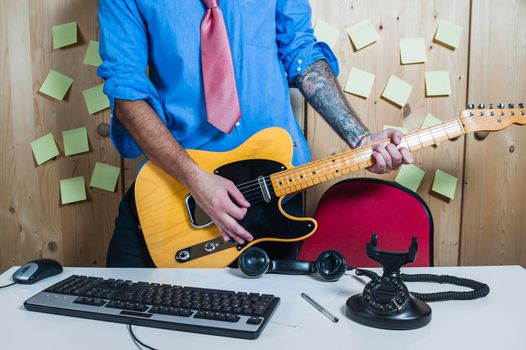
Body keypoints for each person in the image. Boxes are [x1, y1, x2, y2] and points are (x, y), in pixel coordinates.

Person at [98, 0, 414, 267]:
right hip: (179, 193)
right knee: (125, 318)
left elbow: (300, 52)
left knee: (264, 328)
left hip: (273, 193)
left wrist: (360, 139)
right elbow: (126, 93)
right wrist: (196, 179)